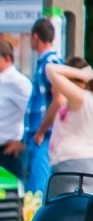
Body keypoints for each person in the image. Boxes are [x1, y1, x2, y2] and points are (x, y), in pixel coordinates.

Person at [44, 57, 93, 191]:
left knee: (64, 210)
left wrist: (81, 74)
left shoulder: (80, 97)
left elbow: (49, 69)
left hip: (72, 165)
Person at [21, 18, 62, 197]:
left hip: (44, 138)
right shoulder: (47, 62)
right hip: (40, 138)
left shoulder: (50, 63)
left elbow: (58, 100)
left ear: (35, 37)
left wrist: (40, 131)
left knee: (37, 193)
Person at [0, 40, 32, 178]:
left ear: (7, 58)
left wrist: (23, 142)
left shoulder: (18, 82)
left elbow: (36, 114)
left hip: (7, 154)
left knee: (10, 197)